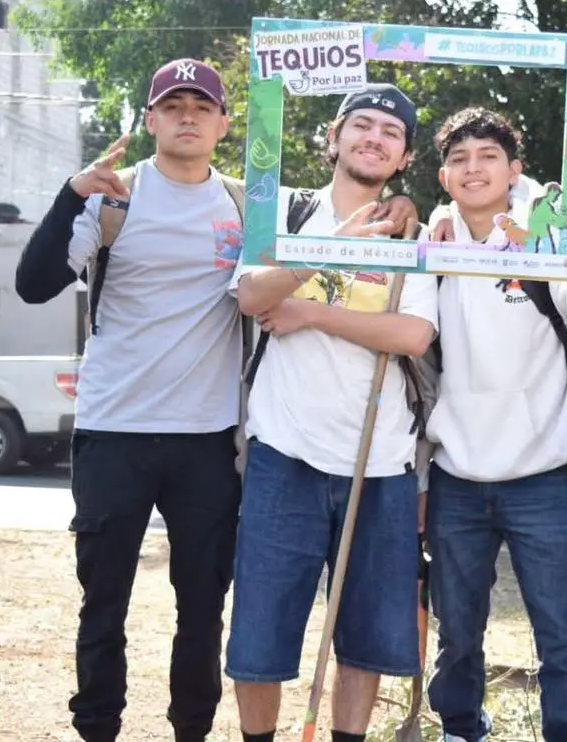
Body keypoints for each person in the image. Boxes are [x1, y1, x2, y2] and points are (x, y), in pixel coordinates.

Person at [13, 57, 246, 742]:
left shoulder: (245, 202)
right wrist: (68, 195)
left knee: (203, 605)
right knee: (104, 600)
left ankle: (191, 729)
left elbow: (330, 221)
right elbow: (32, 285)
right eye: (172, 105)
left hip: (207, 437)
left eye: (201, 107)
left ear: (223, 124)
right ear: (150, 120)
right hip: (113, 429)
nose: (186, 116)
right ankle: (97, 728)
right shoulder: (112, 196)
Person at [225, 83, 436, 742]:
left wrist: (313, 312)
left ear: (403, 156)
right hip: (284, 451)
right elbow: (252, 294)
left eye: (390, 132)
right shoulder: (285, 213)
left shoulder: (414, 234)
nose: (373, 137)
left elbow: (413, 336)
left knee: (369, 634)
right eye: (361, 125)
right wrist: (334, 242)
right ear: (334, 136)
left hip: (380, 460)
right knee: (259, 631)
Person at [419, 107, 567, 742]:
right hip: (457, 474)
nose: (473, 169)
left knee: (562, 634)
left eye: (488, 157)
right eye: (459, 159)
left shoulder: (550, 234)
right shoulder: (434, 245)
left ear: (514, 170)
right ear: (445, 177)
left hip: (545, 474)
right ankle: (458, 729)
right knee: (457, 632)